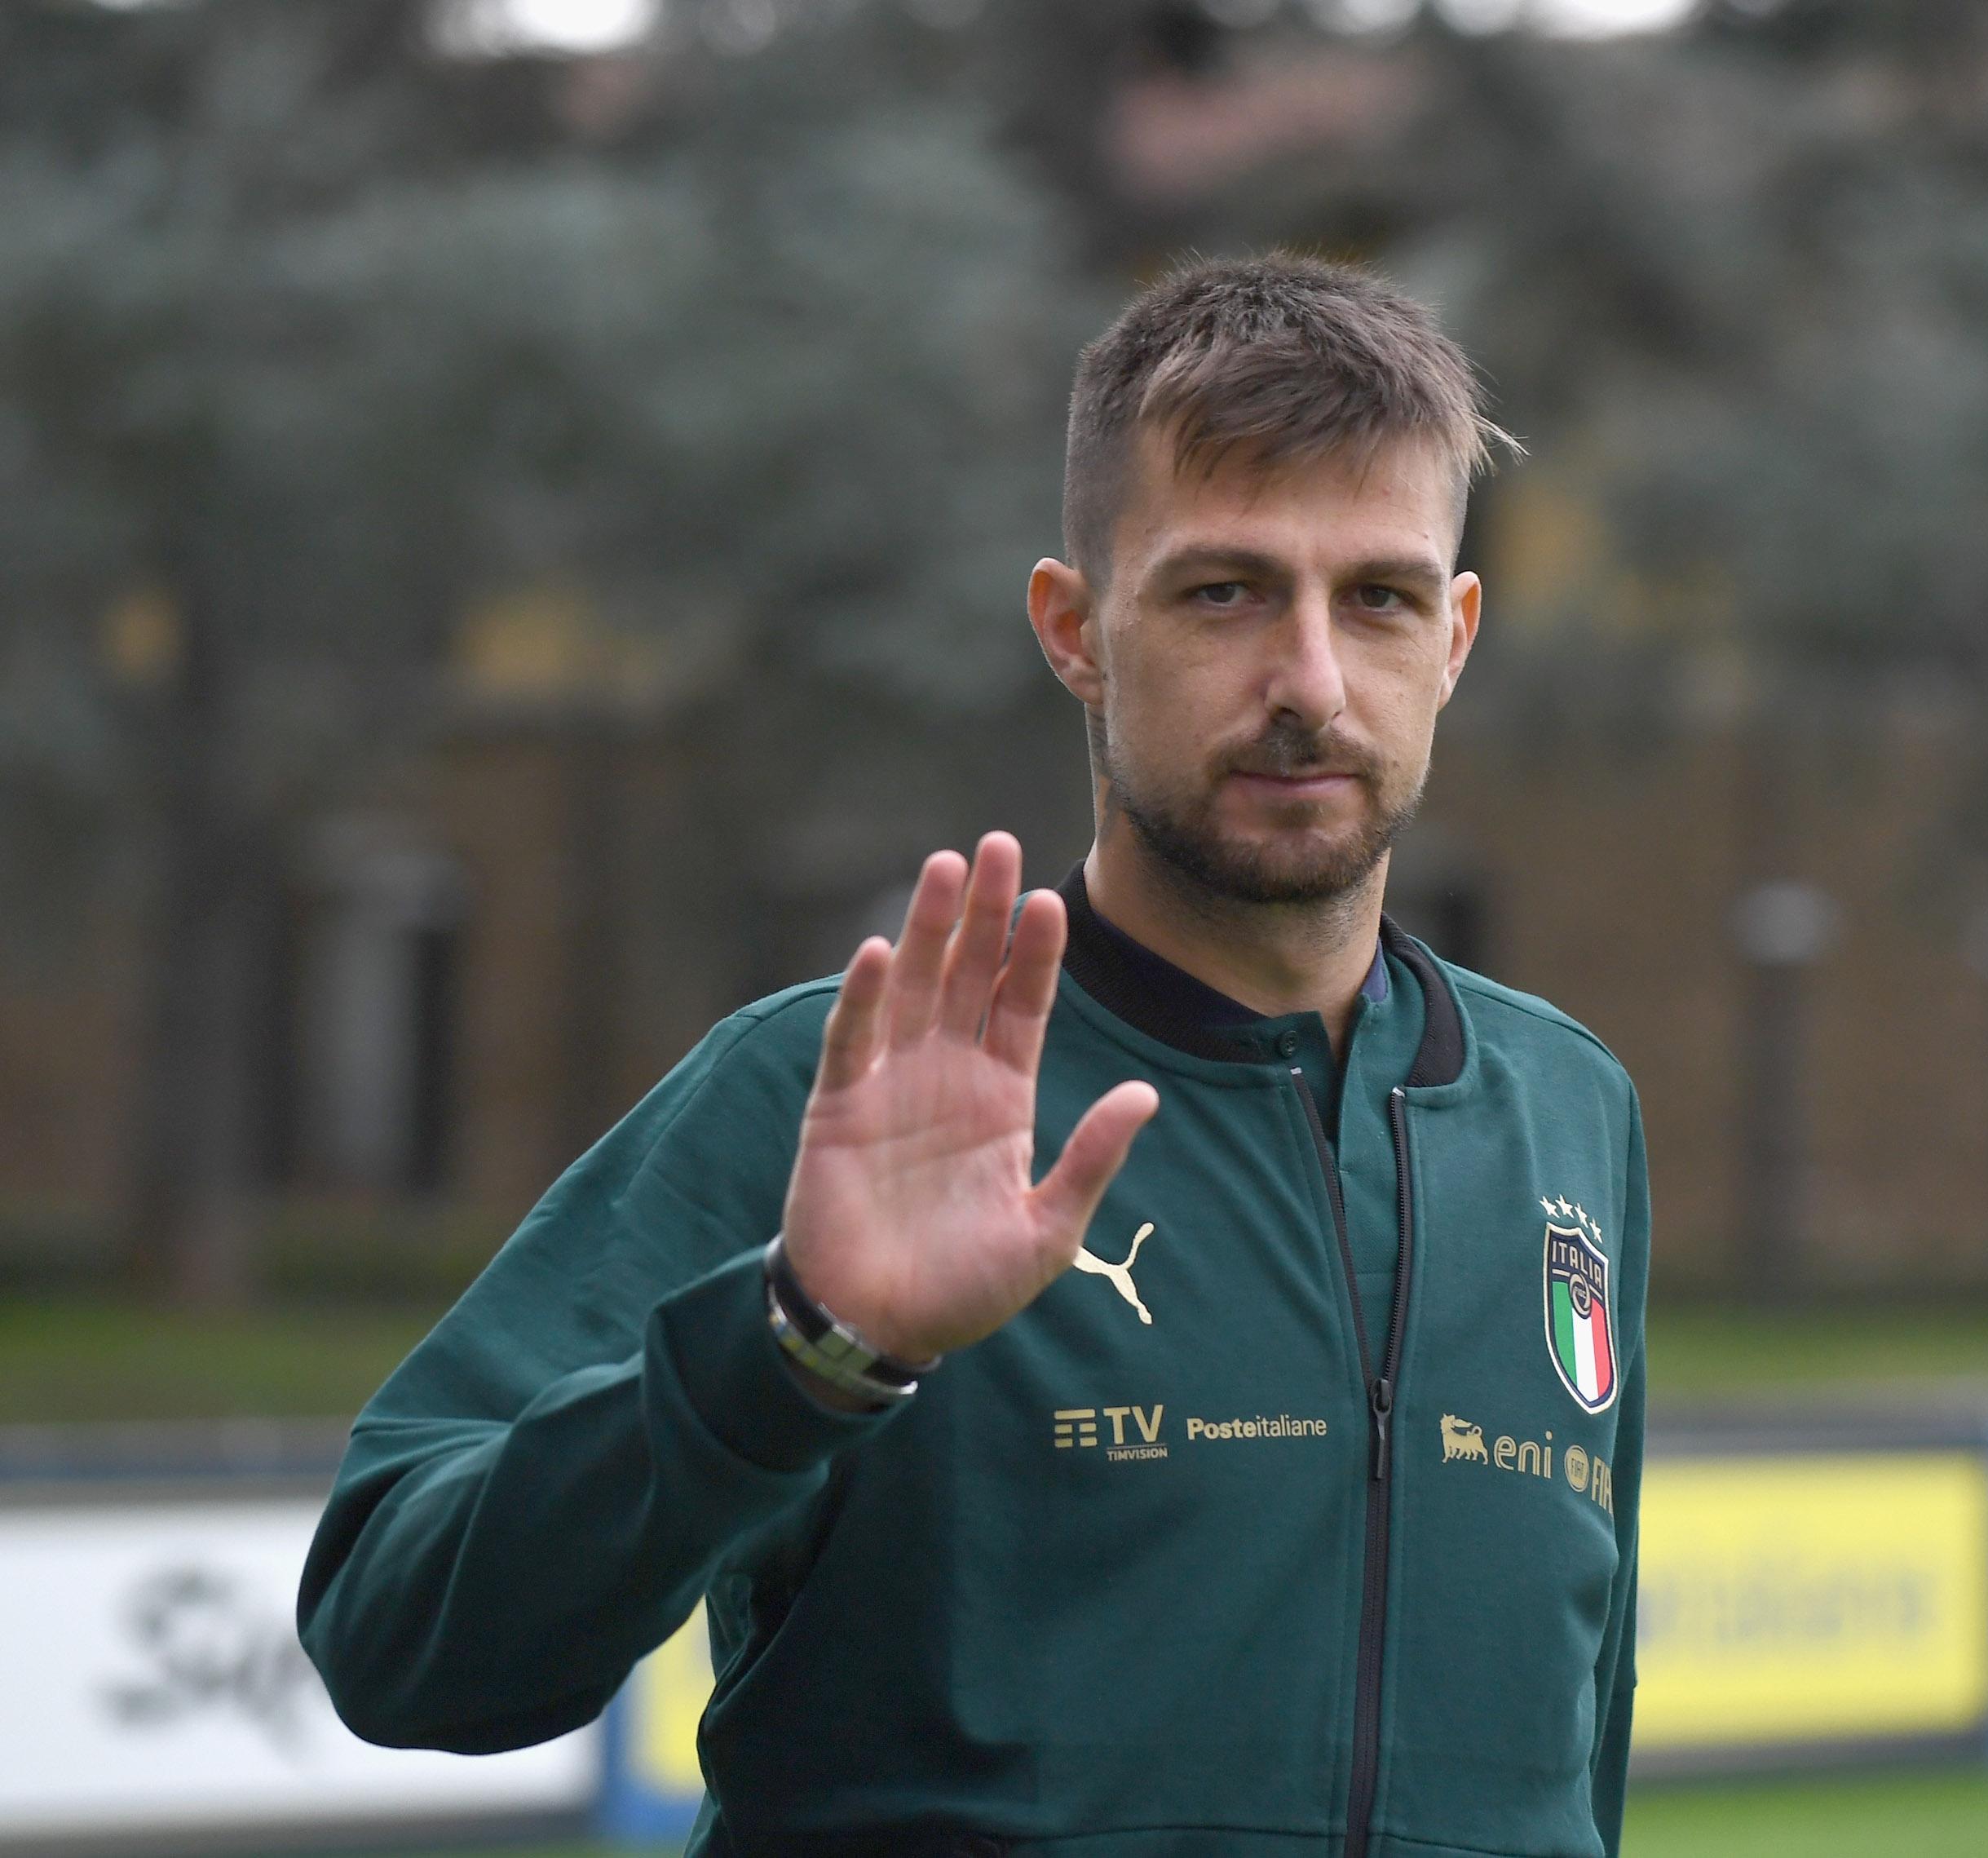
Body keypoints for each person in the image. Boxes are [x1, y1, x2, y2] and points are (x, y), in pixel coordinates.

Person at [299, 253, 1650, 1858]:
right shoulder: (836, 1088)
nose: (1309, 680)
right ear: (1075, 630)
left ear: (1457, 636)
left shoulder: (1569, 1110)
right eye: (1222, 591)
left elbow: (1583, 1747)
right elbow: (396, 1636)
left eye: (1379, 597)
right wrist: (799, 1349)